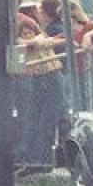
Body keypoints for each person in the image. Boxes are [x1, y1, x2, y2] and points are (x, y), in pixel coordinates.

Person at [14, 13, 65, 174]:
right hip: (37, 79)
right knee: (34, 122)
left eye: (30, 32)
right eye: (24, 33)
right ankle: (33, 161)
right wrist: (33, 42)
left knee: (48, 121)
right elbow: (23, 46)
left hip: (53, 76)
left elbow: (54, 40)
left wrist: (42, 41)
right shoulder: (21, 43)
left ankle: (44, 162)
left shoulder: (42, 38)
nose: (28, 35)